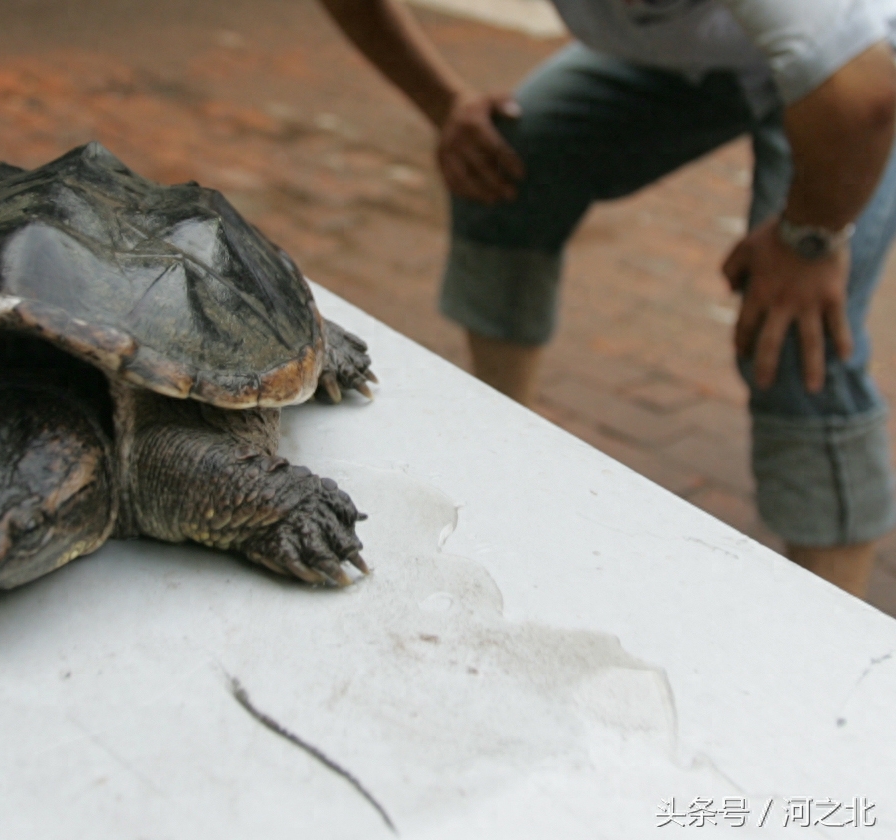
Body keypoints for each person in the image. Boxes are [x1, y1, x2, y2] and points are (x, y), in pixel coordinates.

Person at [319, 0, 896, 597]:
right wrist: (446, 107)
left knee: (797, 326)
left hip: (862, 59)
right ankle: (501, 458)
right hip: (693, 56)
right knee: (506, 161)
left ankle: (842, 637)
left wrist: (810, 240)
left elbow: (861, 96)